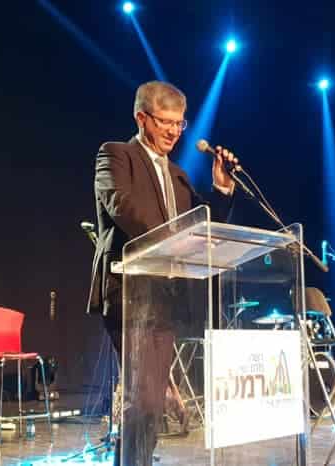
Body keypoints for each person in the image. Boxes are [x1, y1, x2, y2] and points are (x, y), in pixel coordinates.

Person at [86, 80, 238, 466]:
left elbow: (204, 226)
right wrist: (175, 238)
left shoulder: (179, 176)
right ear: (142, 118)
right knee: (145, 398)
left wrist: (221, 189)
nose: (173, 131)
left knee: (150, 400)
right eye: (165, 121)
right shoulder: (116, 155)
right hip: (128, 292)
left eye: (179, 123)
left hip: (163, 299)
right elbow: (124, 208)